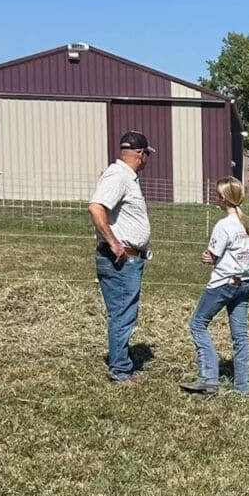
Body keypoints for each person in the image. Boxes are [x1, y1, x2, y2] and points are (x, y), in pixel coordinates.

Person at [88, 130, 154, 385]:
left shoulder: (127, 177)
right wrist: (114, 243)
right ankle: (120, 369)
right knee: (122, 313)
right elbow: (96, 207)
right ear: (140, 154)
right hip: (121, 259)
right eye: (146, 154)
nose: (147, 159)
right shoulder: (118, 176)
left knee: (123, 312)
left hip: (128, 258)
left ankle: (121, 364)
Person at [180, 177, 249, 396]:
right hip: (246, 281)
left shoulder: (224, 225)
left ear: (223, 198)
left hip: (224, 282)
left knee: (197, 323)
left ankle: (208, 379)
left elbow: (212, 256)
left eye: (218, 194)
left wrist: (208, 257)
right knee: (239, 334)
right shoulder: (248, 225)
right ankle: (243, 386)